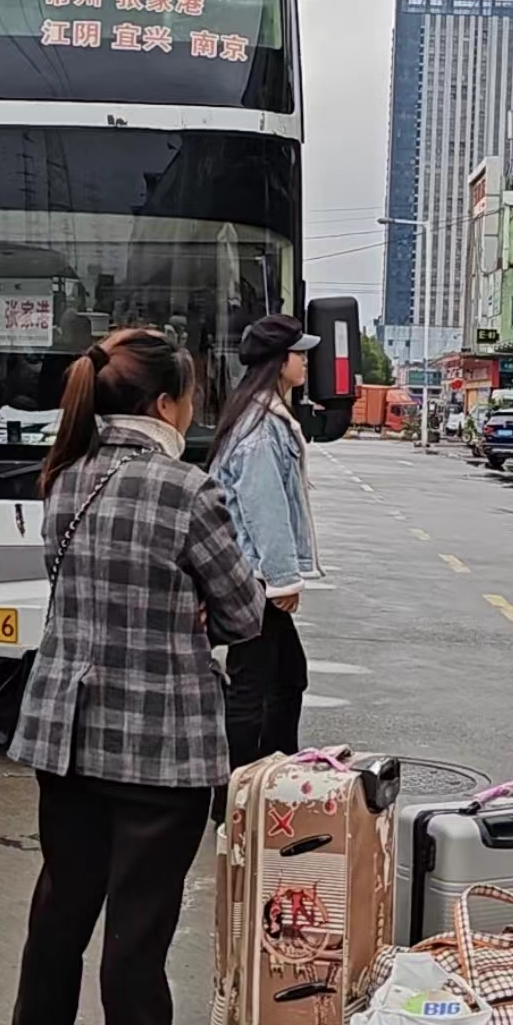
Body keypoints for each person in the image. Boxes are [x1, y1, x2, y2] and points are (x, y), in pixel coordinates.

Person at [5, 328, 263, 1025]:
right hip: (163, 745)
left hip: (69, 735)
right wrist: (187, 608)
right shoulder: (188, 491)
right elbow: (244, 614)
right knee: (138, 929)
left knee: (60, 910)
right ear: (165, 405)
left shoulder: (65, 479)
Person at [207, 315, 321, 815]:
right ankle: (240, 794)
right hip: (254, 577)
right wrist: (281, 580)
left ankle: (267, 777)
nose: (306, 361)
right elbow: (263, 506)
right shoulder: (261, 428)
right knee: (256, 684)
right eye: (300, 354)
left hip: (251, 575)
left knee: (284, 674)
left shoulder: (261, 416)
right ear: (279, 362)